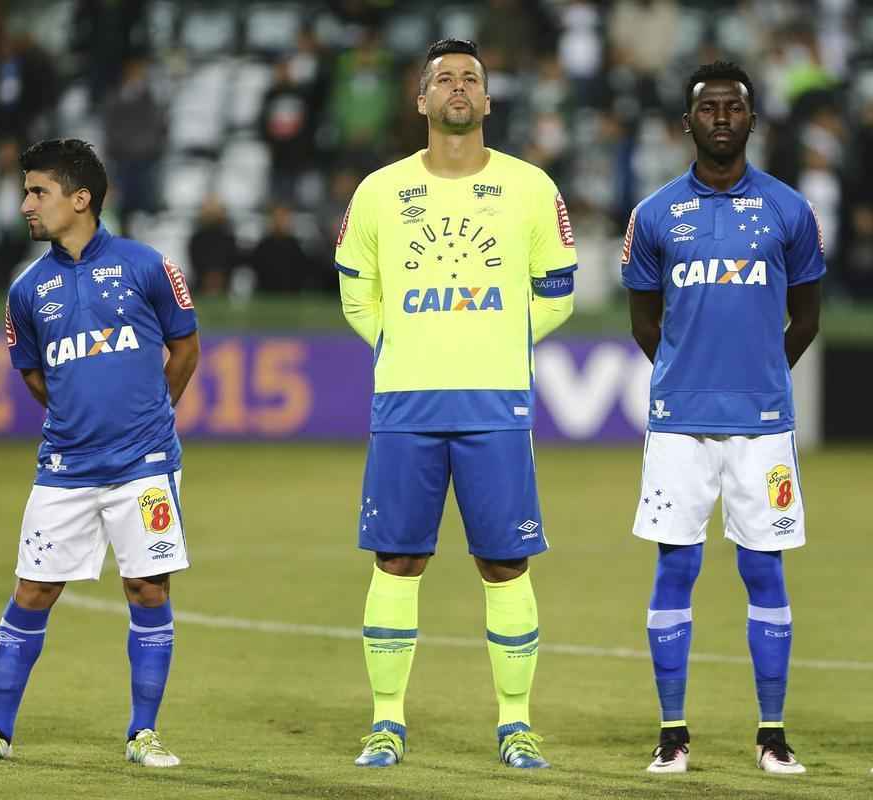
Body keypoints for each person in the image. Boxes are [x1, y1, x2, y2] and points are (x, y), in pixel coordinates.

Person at [334, 39, 577, 770]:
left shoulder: (531, 186)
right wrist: (405, 344)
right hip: (405, 401)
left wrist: (494, 337)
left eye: (472, 77)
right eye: (444, 79)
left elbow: (558, 294)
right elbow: (356, 294)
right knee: (397, 559)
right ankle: (385, 723)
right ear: (421, 100)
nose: (459, 87)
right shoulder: (378, 191)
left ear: (489, 99)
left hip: (494, 402)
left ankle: (514, 723)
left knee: (504, 565)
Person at [0, 139, 200, 768]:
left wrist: (151, 419)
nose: (26, 203)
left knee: (147, 589)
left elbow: (185, 348)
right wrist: (76, 419)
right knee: (32, 591)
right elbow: (34, 374)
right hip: (64, 469)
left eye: (38, 191)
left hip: (144, 468)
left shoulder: (147, 266)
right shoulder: (26, 291)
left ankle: (143, 733)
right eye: (27, 191)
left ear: (79, 199)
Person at [622, 61, 824, 775]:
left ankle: (771, 733)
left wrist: (758, 378)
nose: (718, 117)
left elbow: (806, 316)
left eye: (731, 107)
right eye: (705, 107)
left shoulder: (789, 210)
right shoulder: (652, 214)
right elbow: (645, 321)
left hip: (761, 426)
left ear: (751, 119)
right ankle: (672, 733)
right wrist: (689, 374)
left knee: (763, 573)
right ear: (686, 123)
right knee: (673, 569)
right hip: (678, 423)